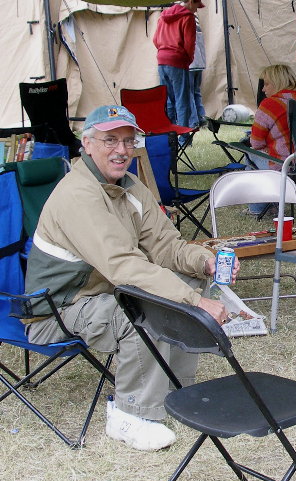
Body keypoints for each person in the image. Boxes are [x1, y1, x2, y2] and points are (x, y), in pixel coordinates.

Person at [24, 105, 240, 451]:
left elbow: (166, 244)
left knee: (188, 281)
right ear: (87, 144)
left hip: (104, 292)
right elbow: (123, 266)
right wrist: (195, 302)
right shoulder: (78, 194)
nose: (122, 150)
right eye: (110, 140)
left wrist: (205, 262)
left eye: (128, 141)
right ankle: (129, 415)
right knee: (148, 308)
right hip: (57, 310)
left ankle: (175, 390)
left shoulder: (129, 184)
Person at [247, 64, 296, 215]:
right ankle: (269, 205)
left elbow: (255, 143)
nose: (263, 89)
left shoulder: (270, 104)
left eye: (266, 84)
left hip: (285, 167)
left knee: (249, 155)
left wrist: (266, 147)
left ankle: (258, 209)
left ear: (278, 82)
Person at [153, 0, 204, 129]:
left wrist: (163, 51)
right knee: (182, 100)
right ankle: (183, 134)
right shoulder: (188, 17)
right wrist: (188, 59)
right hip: (177, 61)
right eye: (197, 6)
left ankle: (170, 132)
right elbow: (189, 43)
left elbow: (155, 39)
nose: (196, 10)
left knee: (168, 100)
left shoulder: (163, 15)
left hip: (162, 61)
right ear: (191, 2)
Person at [188, 15, 207, 128]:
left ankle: (193, 121)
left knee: (189, 93)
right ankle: (201, 117)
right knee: (196, 92)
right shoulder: (198, 26)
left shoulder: (186, 26)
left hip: (189, 64)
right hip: (199, 63)